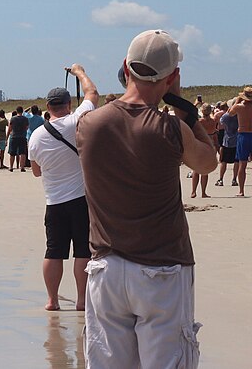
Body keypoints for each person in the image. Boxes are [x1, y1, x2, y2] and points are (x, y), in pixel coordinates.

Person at [76, 30, 217, 368]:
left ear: (126, 67)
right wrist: (182, 105)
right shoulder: (170, 128)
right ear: (172, 77)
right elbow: (208, 161)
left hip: (106, 267)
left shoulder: (88, 125)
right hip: (162, 268)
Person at [28, 64, 98, 312]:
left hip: (54, 201)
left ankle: (52, 300)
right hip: (80, 199)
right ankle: (81, 300)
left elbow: (36, 171)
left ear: (48, 108)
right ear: (68, 104)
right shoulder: (75, 121)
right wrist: (79, 72)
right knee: (82, 251)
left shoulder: (35, 136)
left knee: (54, 251)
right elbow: (92, 94)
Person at [228, 87, 252, 197]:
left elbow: (230, 113)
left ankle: (241, 190)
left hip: (243, 134)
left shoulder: (239, 107)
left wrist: (237, 100)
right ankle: (241, 190)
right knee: (242, 164)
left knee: (242, 164)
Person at [192, 105, 217, 198]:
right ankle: (203, 192)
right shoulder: (213, 121)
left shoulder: (200, 122)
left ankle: (193, 191)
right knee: (205, 169)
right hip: (210, 144)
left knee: (196, 169)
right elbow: (214, 134)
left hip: (200, 143)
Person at [216, 103, 239, 187]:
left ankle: (221, 179)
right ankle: (234, 179)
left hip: (227, 140)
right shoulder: (238, 115)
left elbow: (221, 122)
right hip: (236, 139)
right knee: (236, 161)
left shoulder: (226, 116)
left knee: (223, 161)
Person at [8, 107, 30, 172]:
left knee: (12, 153)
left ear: (16, 111)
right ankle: (22, 167)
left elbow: (10, 128)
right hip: (22, 136)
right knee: (22, 153)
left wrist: (7, 137)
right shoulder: (25, 119)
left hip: (14, 136)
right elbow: (27, 127)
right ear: (22, 111)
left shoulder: (13, 118)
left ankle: (11, 167)